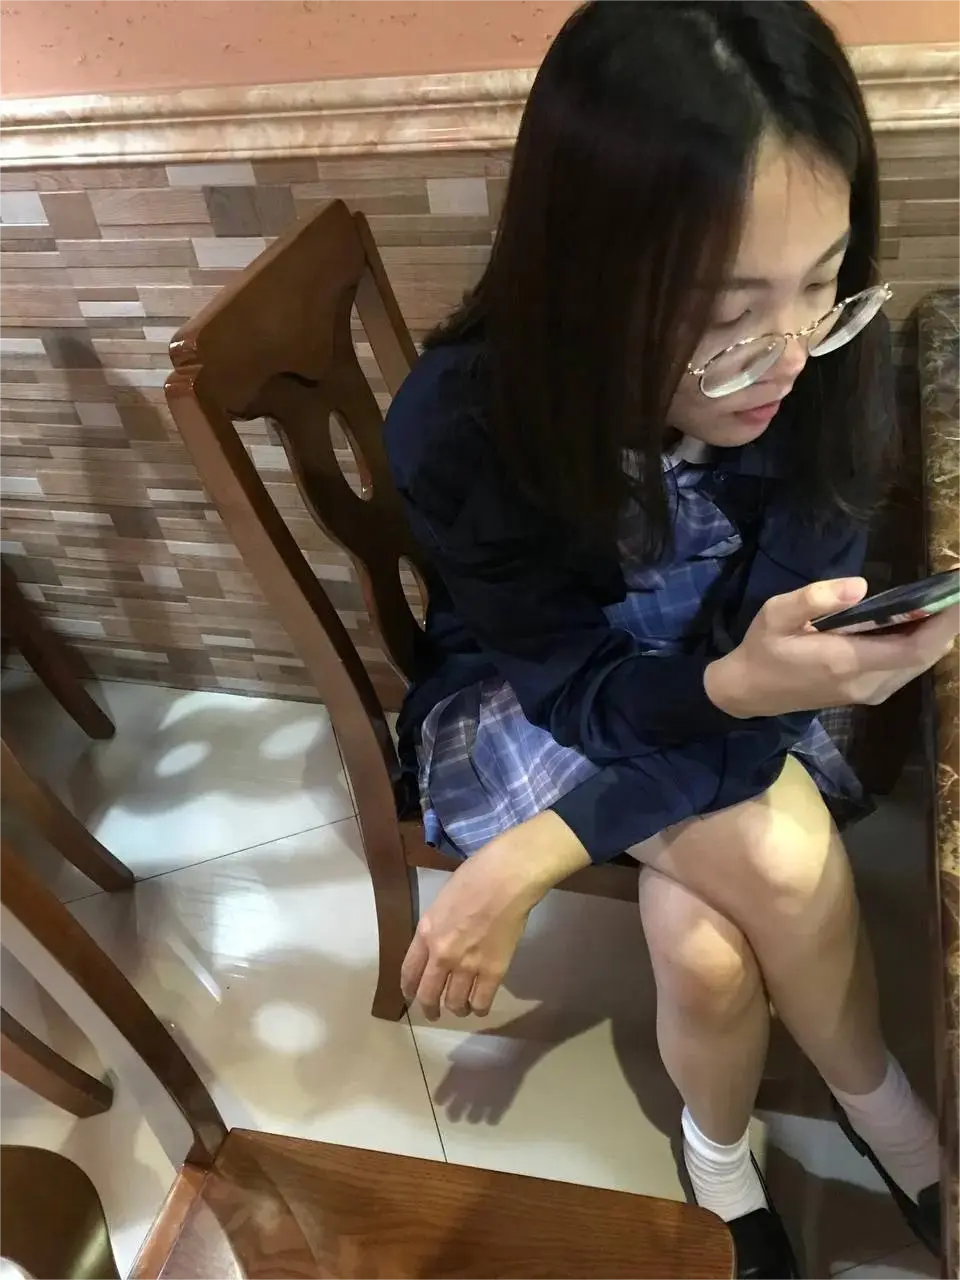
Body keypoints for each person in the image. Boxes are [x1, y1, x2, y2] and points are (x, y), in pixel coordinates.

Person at [383, 1, 954, 1275]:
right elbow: (579, 686)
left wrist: (539, 853)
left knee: (701, 951)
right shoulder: (464, 421)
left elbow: (766, 675)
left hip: (724, 672)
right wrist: (738, 686)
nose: (788, 355)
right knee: (785, 862)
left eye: (824, 280)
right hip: (538, 697)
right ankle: (902, 1127)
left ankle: (720, 1162)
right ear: (586, 280)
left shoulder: (823, 355)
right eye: (725, 311)